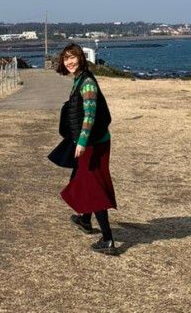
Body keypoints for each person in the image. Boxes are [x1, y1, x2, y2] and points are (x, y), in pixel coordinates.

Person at [55, 43, 118, 256]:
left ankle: (108, 239)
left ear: (81, 58)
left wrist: (81, 141)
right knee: (81, 178)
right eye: (66, 58)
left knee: (93, 186)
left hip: (94, 143)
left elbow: (90, 115)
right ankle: (85, 219)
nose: (69, 62)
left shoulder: (87, 83)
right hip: (88, 141)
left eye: (73, 57)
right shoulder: (79, 79)